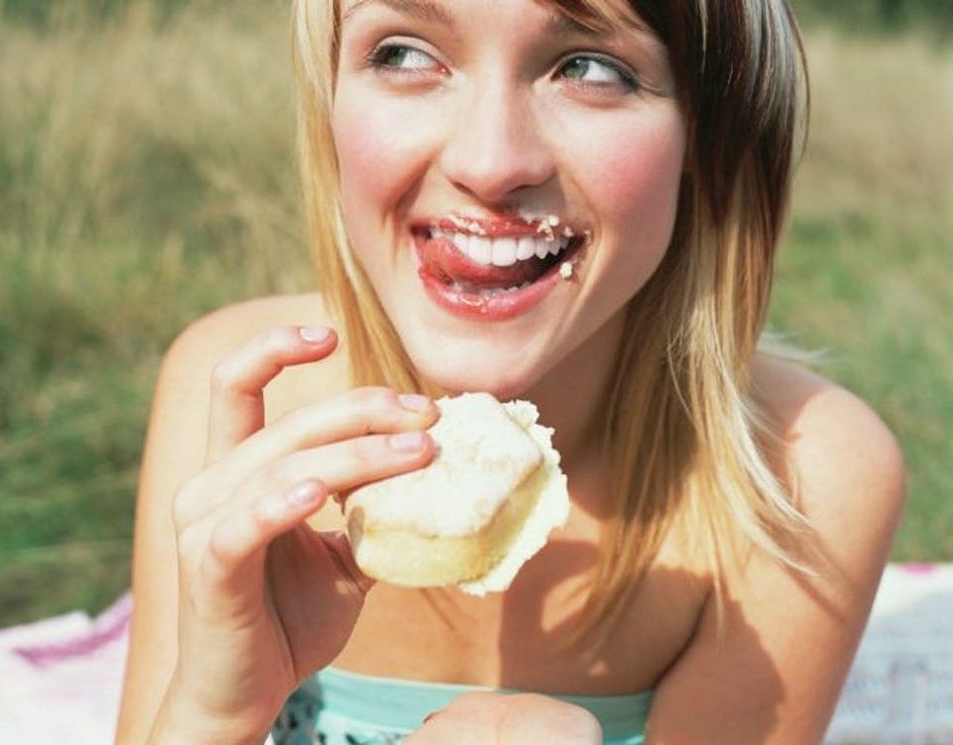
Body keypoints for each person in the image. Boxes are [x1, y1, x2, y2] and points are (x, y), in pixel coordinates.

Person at [115, 0, 907, 742]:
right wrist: (213, 715)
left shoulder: (803, 481)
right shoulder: (240, 401)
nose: (490, 162)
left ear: (710, 132)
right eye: (404, 53)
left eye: (592, 68)